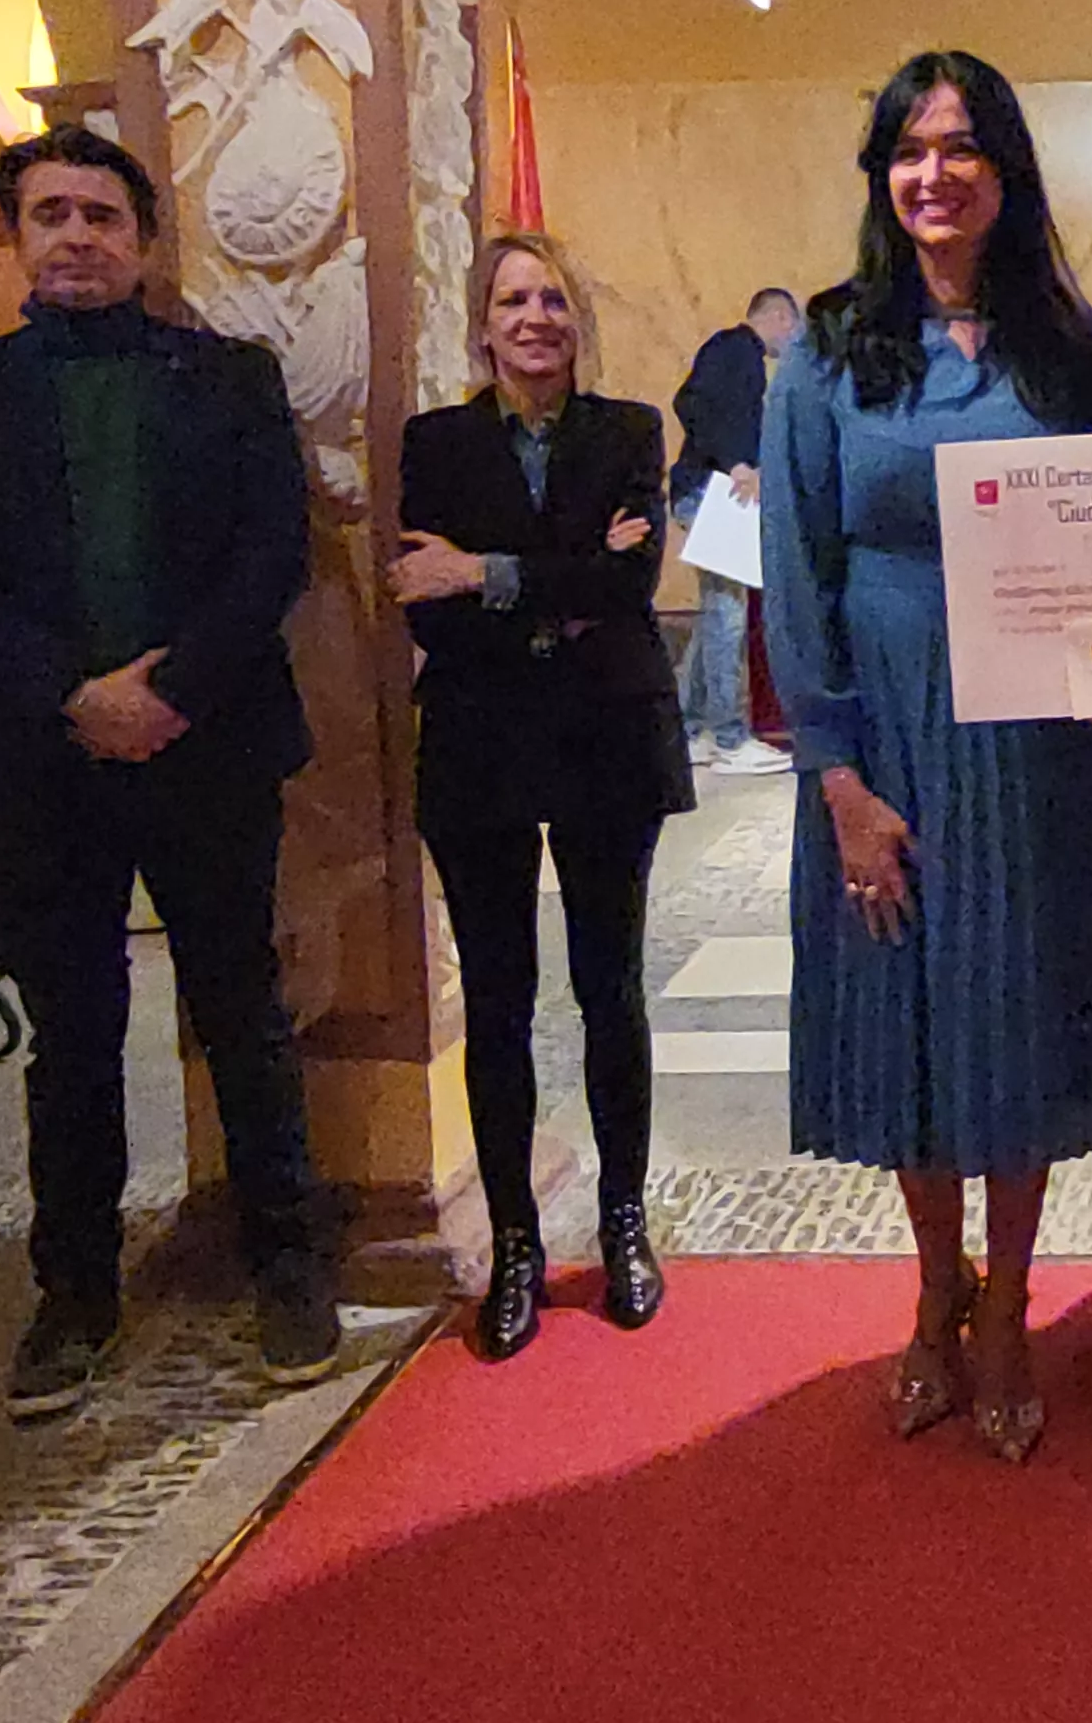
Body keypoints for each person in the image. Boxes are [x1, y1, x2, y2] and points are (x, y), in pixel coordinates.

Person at [763, 50, 1092, 1467]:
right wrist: (841, 780)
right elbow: (796, 572)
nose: (936, 173)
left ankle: (1012, 1307)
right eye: (909, 149)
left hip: (1043, 747)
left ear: (1005, 170)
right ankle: (936, 1287)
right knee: (913, 1016)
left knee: (1018, 1011)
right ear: (882, 174)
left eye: (963, 146)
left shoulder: (1077, 347)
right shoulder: (823, 352)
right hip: (886, 735)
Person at [0, 124, 336, 1422]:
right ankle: (75, 1296)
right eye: (51, 215)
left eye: (102, 214)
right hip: (37, 761)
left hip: (207, 745)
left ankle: (291, 1268)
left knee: (243, 1015)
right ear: (22, 239)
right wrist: (74, 695)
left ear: (143, 242)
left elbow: (273, 558)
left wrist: (166, 691)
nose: (78, 235)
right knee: (73, 1035)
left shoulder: (230, 379)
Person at [391, 235, 695, 1362]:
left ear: (578, 319)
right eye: (513, 299)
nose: (536, 316)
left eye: (554, 297)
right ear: (482, 325)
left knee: (611, 987)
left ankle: (623, 1218)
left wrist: (489, 571)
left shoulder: (627, 431)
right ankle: (516, 1239)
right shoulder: (436, 441)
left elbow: (630, 581)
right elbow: (423, 602)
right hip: (480, 749)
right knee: (502, 1000)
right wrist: (558, 573)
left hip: (608, 739)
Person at [670, 288, 799, 776]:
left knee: (714, 614)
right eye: (793, 327)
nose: (793, 339)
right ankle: (728, 737)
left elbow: (694, 402)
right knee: (727, 612)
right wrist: (738, 463)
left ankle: (692, 730)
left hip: (705, 491)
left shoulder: (733, 355)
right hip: (715, 492)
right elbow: (693, 404)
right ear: (778, 316)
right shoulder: (736, 349)